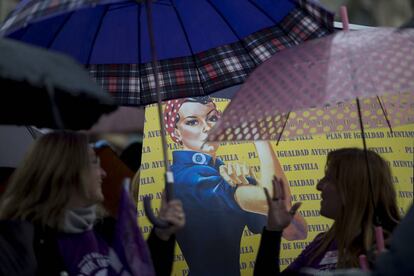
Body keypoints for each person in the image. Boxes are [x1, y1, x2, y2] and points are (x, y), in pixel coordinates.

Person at [0, 131, 185, 276]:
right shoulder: (25, 242)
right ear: (67, 171)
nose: (103, 173)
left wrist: (162, 234)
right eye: (94, 162)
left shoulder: (105, 230)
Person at [163, 97, 307, 276]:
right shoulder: (186, 177)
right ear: (176, 133)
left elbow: (295, 231)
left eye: (212, 118)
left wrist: (250, 185)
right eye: (192, 122)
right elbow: (278, 202)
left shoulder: (222, 173)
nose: (208, 128)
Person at [254, 148, 401, 275]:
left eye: (329, 178)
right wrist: (273, 232)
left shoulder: (396, 245)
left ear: (353, 188)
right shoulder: (321, 244)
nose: (319, 185)